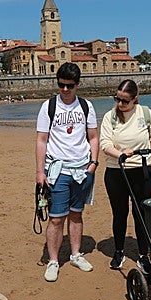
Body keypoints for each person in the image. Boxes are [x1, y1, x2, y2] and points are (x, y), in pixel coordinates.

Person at [35, 62, 99, 282]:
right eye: (61, 85)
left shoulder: (86, 107)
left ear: (78, 84)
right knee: (55, 218)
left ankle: (76, 254)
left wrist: (93, 164)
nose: (65, 90)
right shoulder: (48, 106)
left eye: (69, 86)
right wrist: (39, 172)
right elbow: (41, 140)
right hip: (57, 170)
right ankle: (53, 261)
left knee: (76, 214)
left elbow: (93, 137)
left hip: (82, 169)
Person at [99, 79, 151, 273]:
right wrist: (119, 154)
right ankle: (119, 251)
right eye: (117, 99)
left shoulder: (146, 113)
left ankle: (143, 254)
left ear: (135, 99)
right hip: (116, 172)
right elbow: (105, 143)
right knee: (120, 213)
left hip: (142, 171)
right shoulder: (110, 117)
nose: (119, 104)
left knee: (141, 214)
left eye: (124, 101)